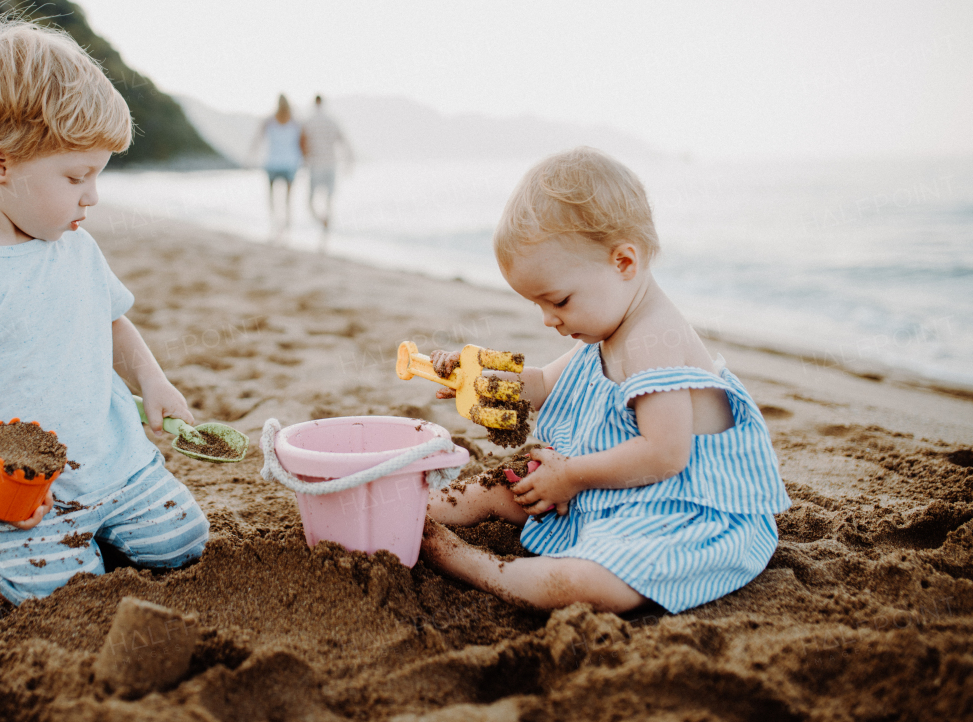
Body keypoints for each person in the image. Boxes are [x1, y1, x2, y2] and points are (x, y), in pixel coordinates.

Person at [0, 14, 209, 604]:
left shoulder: (75, 246)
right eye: (77, 175)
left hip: (116, 464)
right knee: (54, 589)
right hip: (18, 489)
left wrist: (152, 380)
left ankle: (102, 524)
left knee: (183, 543)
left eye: (97, 175)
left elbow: (111, 320)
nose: (93, 195)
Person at [422, 147, 789, 614]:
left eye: (558, 301)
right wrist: (477, 382)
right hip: (628, 492)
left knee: (589, 583)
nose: (548, 320)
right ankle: (425, 511)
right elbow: (541, 386)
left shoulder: (654, 340)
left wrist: (571, 476)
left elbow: (665, 454)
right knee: (507, 484)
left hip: (685, 515)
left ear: (623, 262)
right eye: (539, 305)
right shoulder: (602, 328)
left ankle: (472, 565)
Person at [299, 94, 354, 246]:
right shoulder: (332, 121)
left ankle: (321, 222)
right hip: (330, 164)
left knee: (310, 202)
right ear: (323, 104)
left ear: (313, 104)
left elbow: (302, 144)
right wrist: (349, 161)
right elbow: (344, 141)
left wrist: (303, 162)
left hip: (315, 164)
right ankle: (326, 229)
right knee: (329, 201)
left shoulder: (308, 121)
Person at [251, 94, 303, 240]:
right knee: (288, 200)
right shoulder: (295, 122)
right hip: (290, 164)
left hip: (272, 163)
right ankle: (287, 229)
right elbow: (302, 143)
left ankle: (274, 224)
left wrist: (250, 156)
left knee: (272, 198)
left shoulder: (269, 121)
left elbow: (257, 140)